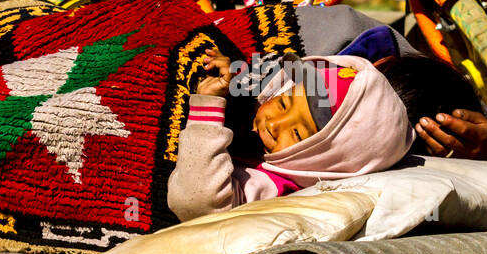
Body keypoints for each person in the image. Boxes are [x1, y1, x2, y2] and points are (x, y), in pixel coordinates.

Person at [168, 50, 415, 221]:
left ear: (321, 161)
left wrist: (208, 107)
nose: (276, 123)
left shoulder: (273, 186)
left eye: (297, 133)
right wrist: (233, 80)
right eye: (284, 103)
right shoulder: (263, 117)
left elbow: (196, 202)